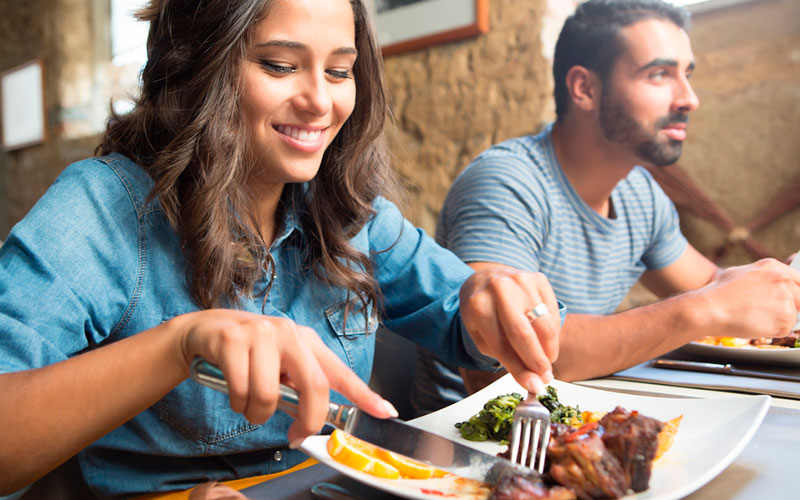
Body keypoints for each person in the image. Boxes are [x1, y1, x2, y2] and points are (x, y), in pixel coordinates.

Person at [0, 0, 562, 498]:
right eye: (279, 65)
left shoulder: (347, 210)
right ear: (200, 66)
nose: (321, 101)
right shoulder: (99, 207)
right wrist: (179, 346)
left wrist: (490, 302)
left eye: (340, 71)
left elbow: (464, 317)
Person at [410, 0, 800, 416]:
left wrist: (779, 283)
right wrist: (707, 308)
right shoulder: (506, 182)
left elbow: (713, 285)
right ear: (585, 89)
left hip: (575, 421)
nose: (689, 98)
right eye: (659, 75)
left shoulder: (639, 194)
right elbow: (513, 351)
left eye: (687, 75)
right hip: (466, 442)